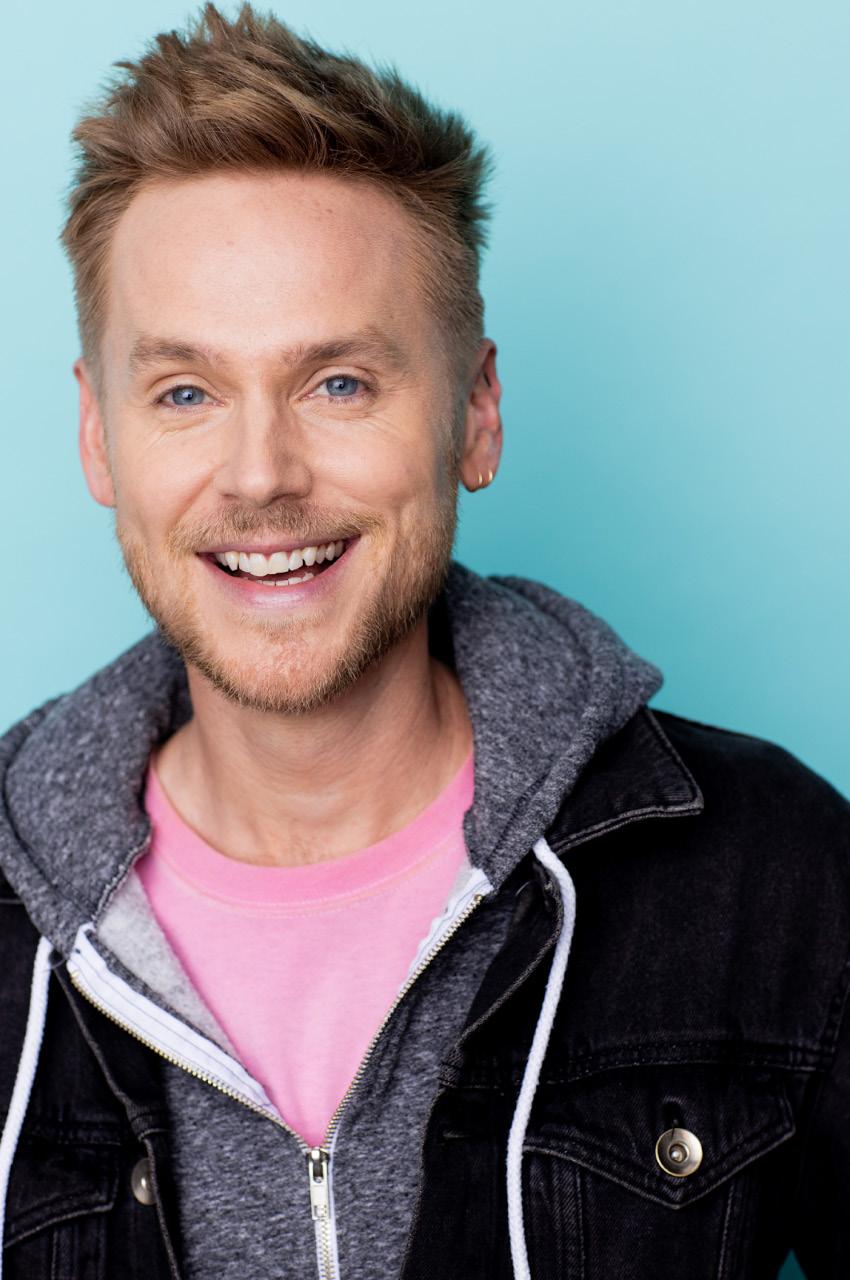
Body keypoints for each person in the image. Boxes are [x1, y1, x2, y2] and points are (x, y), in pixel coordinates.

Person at [0, 4, 847, 1277]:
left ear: (476, 413)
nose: (260, 473)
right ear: (97, 436)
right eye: (185, 391)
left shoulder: (771, 874)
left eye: (338, 382)